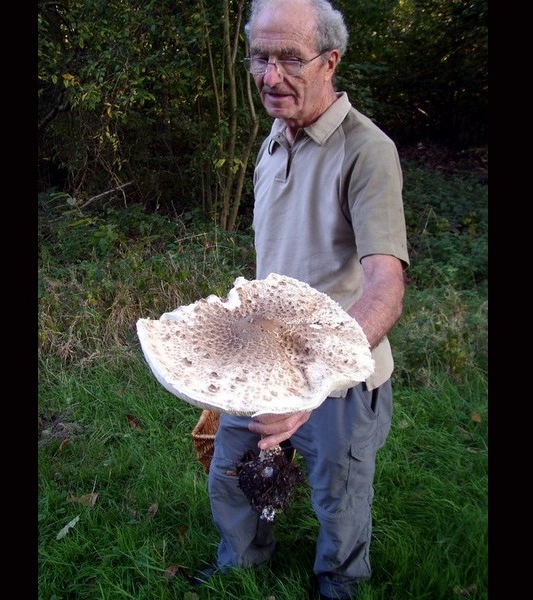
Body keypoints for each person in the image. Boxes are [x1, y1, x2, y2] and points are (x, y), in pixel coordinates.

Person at [200, 1, 409, 598]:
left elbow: (385, 286)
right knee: (233, 475)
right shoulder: (273, 139)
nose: (270, 77)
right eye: (260, 58)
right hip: (259, 362)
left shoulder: (366, 151)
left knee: (338, 494)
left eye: (289, 58)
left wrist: (310, 387)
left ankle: (338, 583)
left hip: (339, 380)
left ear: (330, 61)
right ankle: (239, 567)